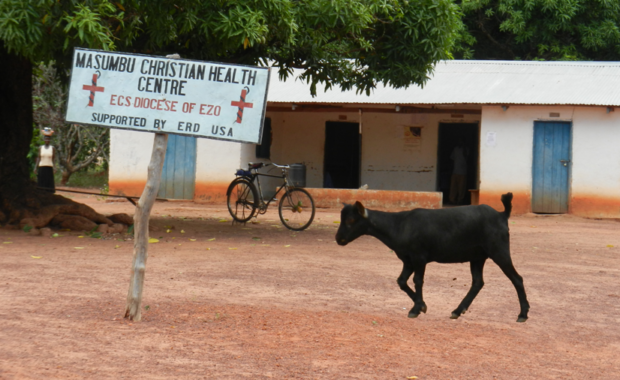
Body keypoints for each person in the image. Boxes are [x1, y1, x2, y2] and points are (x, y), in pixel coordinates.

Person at [34, 127, 56, 193]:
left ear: (50, 140)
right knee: (41, 182)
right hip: (42, 167)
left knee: (49, 182)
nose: (47, 140)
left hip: (49, 167)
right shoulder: (41, 148)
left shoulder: (52, 148)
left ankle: (49, 194)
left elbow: (53, 158)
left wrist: (55, 167)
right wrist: (35, 167)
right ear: (44, 140)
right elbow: (38, 158)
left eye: (48, 139)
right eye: (46, 139)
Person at [449, 139, 469, 205]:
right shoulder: (455, 149)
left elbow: (467, 156)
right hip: (455, 171)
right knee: (453, 187)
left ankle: (460, 200)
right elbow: (452, 159)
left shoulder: (466, 149)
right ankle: (452, 200)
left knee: (461, 188)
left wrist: (464, 148)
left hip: (463, 171)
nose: (460, 142)